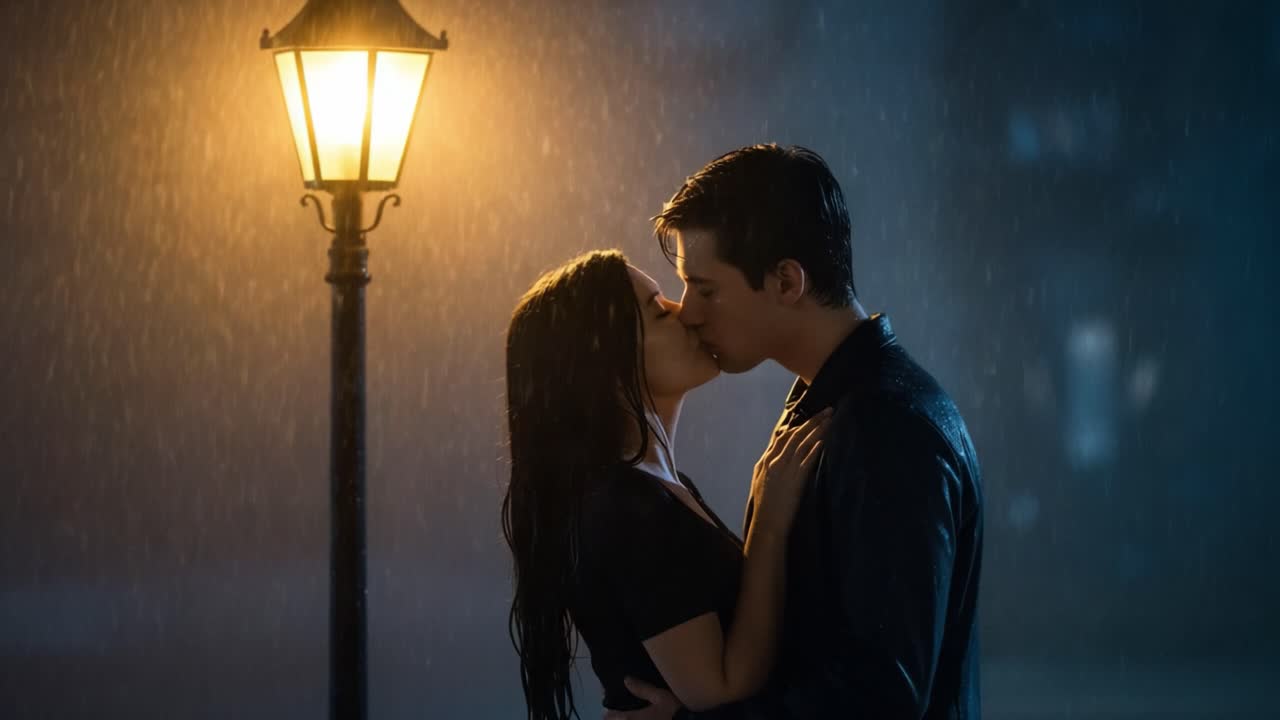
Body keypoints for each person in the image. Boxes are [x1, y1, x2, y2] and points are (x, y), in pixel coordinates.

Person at [612, 144, 984, 719]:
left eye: (705, 289)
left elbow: (881, 697)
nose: (689, 312)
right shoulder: (833, 405)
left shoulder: (886, 427)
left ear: (787, 281)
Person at [502, 249, 831, 720]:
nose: (688, 314)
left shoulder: (657, 488)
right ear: (608, 364)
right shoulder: (625, 506)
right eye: (659, 311)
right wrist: (771, 524)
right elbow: (720, 687)